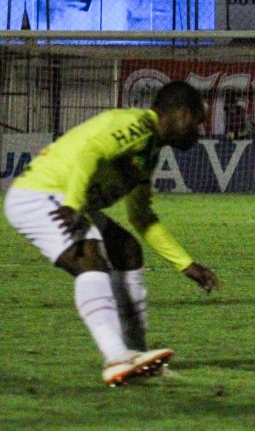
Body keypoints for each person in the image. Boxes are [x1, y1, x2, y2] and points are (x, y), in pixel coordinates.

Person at [4, 81, 221, 387]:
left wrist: (186, 264)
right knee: (89, 257)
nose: (198, 131)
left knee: (127, 250)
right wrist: (73, 203)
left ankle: (138, 356)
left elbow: (141, 217)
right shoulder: (138, 126)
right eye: (197, 122)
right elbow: (91, 151)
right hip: (44, 193)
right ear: (181, 113)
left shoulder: (149, 151)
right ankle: (117, 356)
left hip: (66, 198)